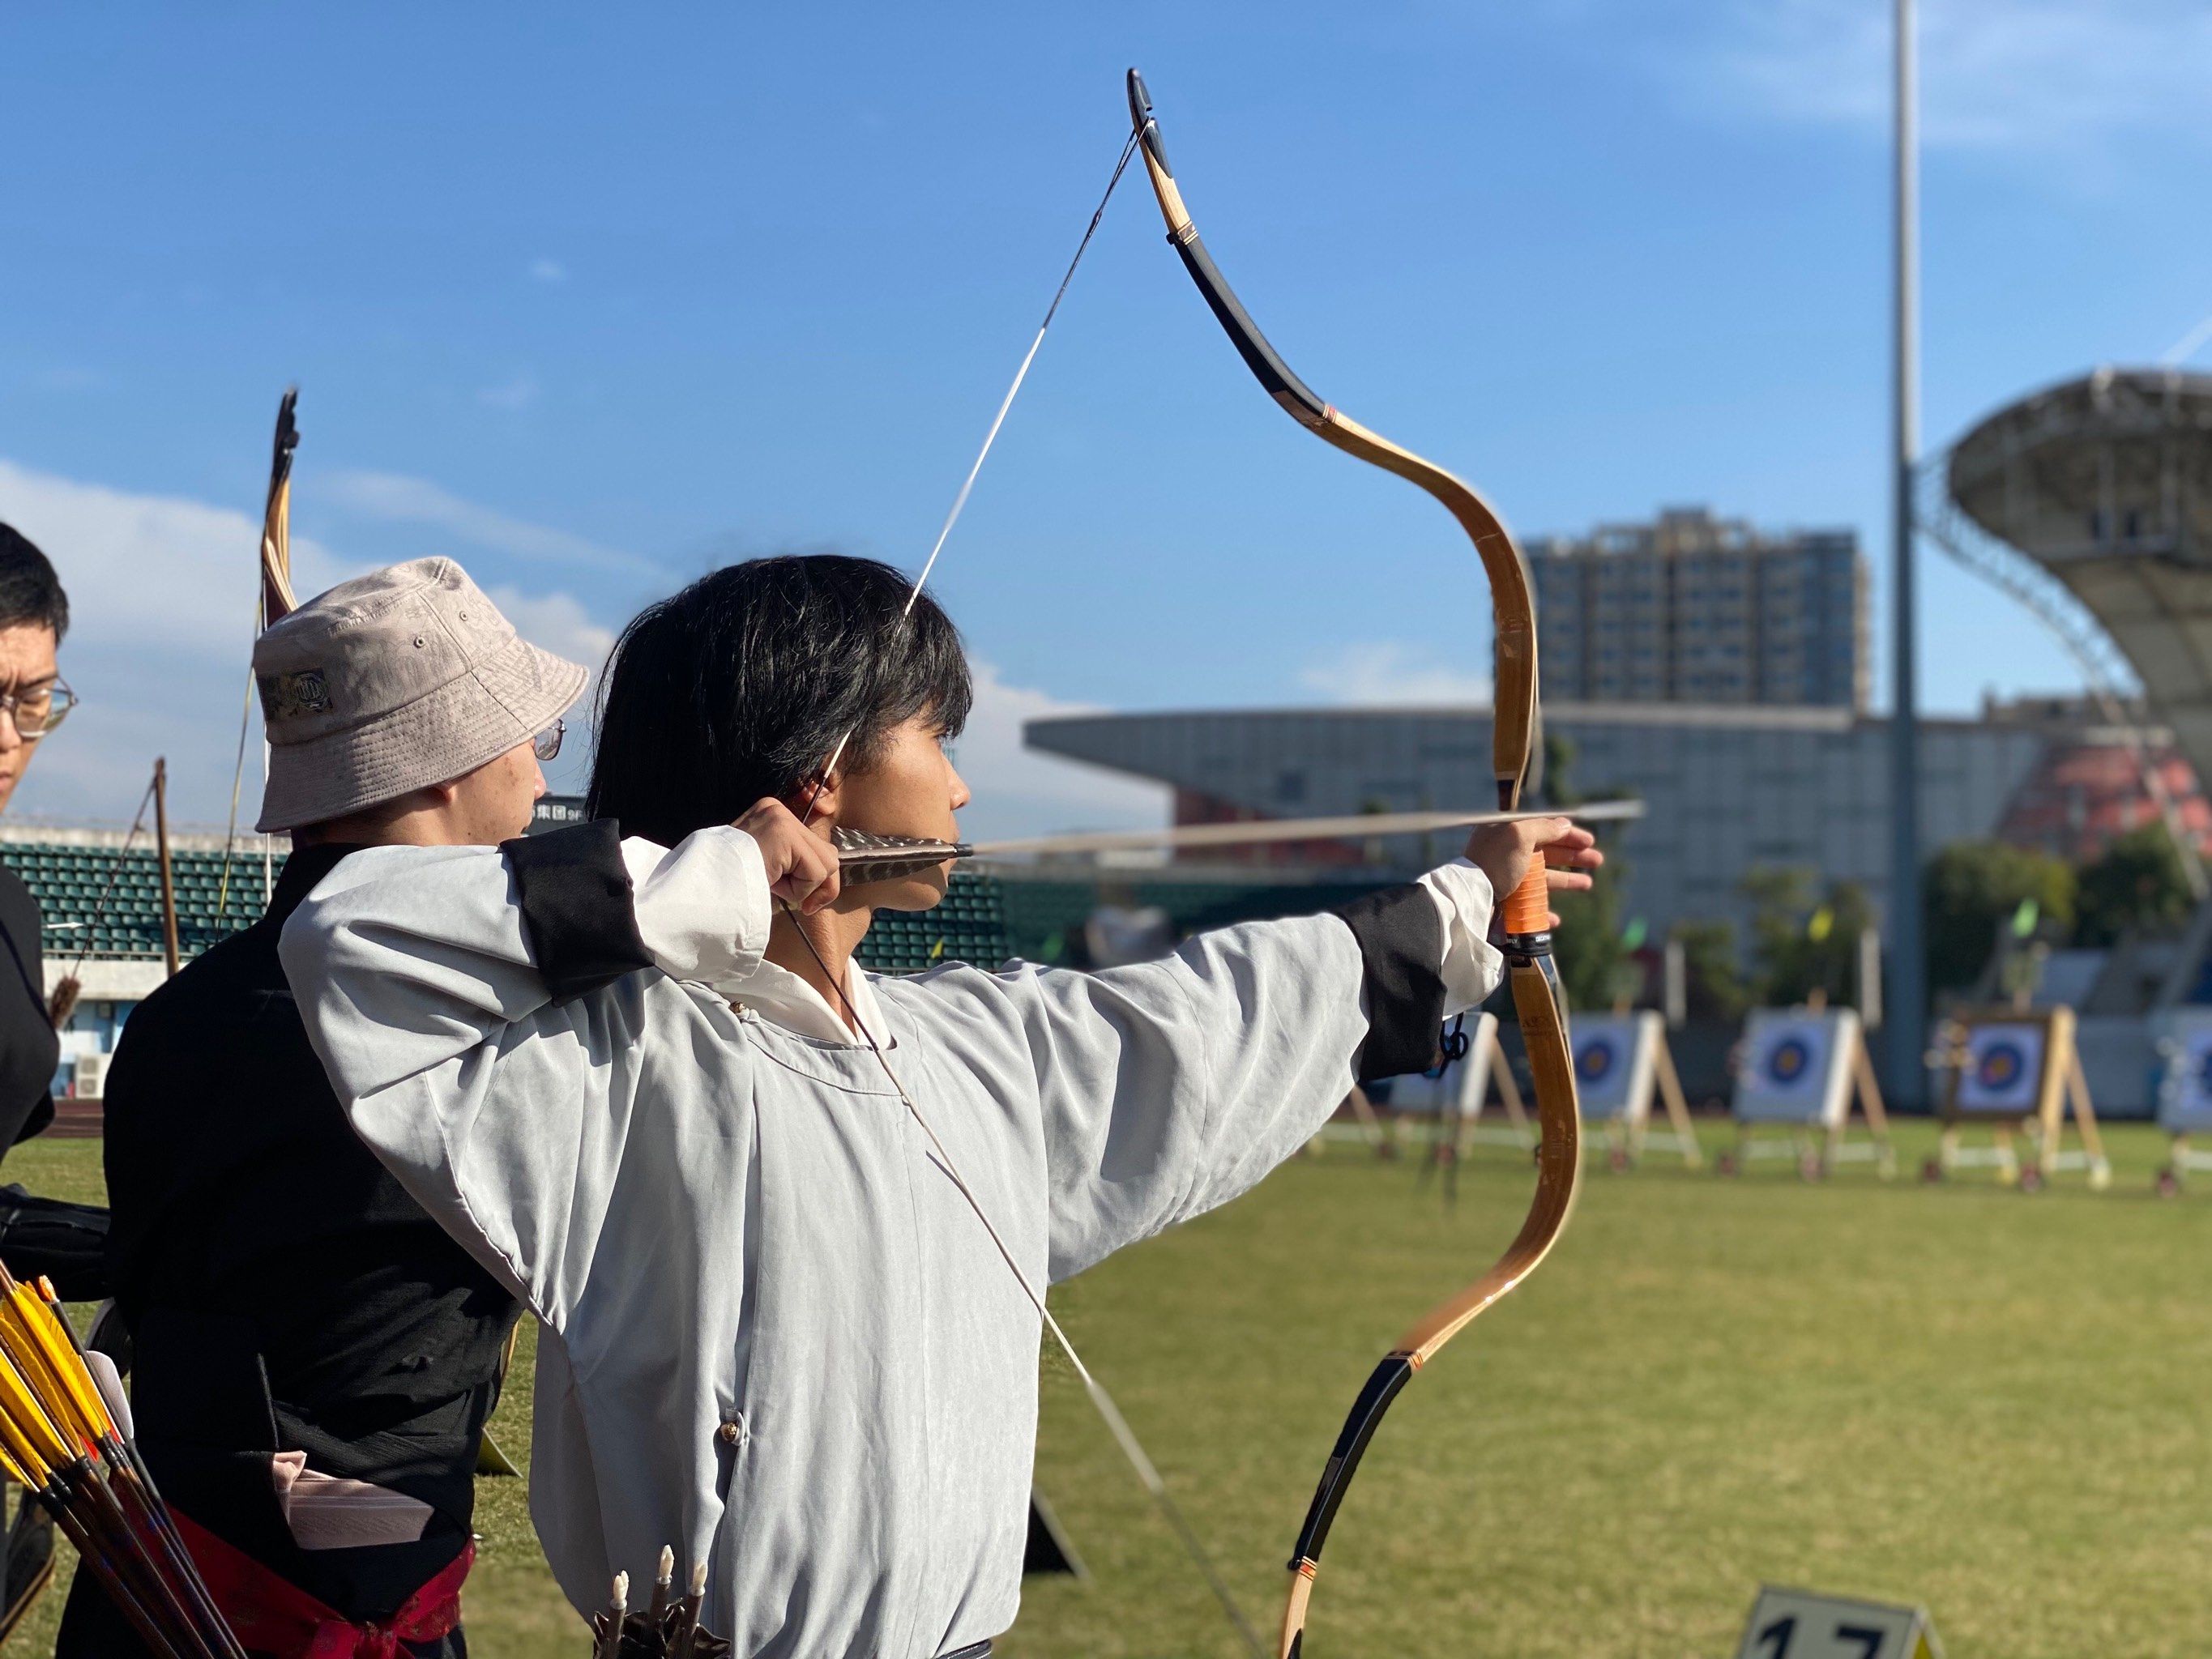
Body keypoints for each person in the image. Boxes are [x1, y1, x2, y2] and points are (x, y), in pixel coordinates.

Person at [278, 553, 1600, 1658]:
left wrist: (1464, 905)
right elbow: (356, 938)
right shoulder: (605, 1066)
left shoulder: (972, 1042)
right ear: (821, 774)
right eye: (936, 737)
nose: (962, 788)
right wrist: (716, 881)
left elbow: (1213, 1019)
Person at [56, 557, 588, 1658]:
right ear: (443, 765)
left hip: (155, 1572)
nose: (540, 783)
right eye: (528, 742)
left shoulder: (178, 1014)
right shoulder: (466, 1025)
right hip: (334, 1607)